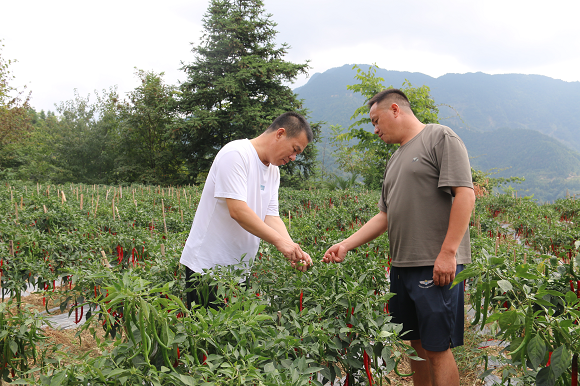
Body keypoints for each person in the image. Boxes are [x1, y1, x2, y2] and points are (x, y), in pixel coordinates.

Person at [323, 89, 475, 386]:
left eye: (376, 121)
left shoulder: (439, 137)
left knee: (437, 349)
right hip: (402, 267)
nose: (375, 129)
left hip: (434, 265)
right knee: (416, 347)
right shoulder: (394, 160)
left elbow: (465, 195)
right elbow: (385, 216)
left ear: (395, 110)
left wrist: (448, 253)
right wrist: (345, 245)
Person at [181, 111, 314, 310]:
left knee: (233, 337)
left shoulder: (273, 171)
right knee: (207, 337)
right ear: (280, 133)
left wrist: (293, 248)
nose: (294, 157)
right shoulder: (236, 154)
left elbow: (271, 215)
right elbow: (238, 210)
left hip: (238, 272)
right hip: (207, 269)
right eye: (294, 149)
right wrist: (279, 242)